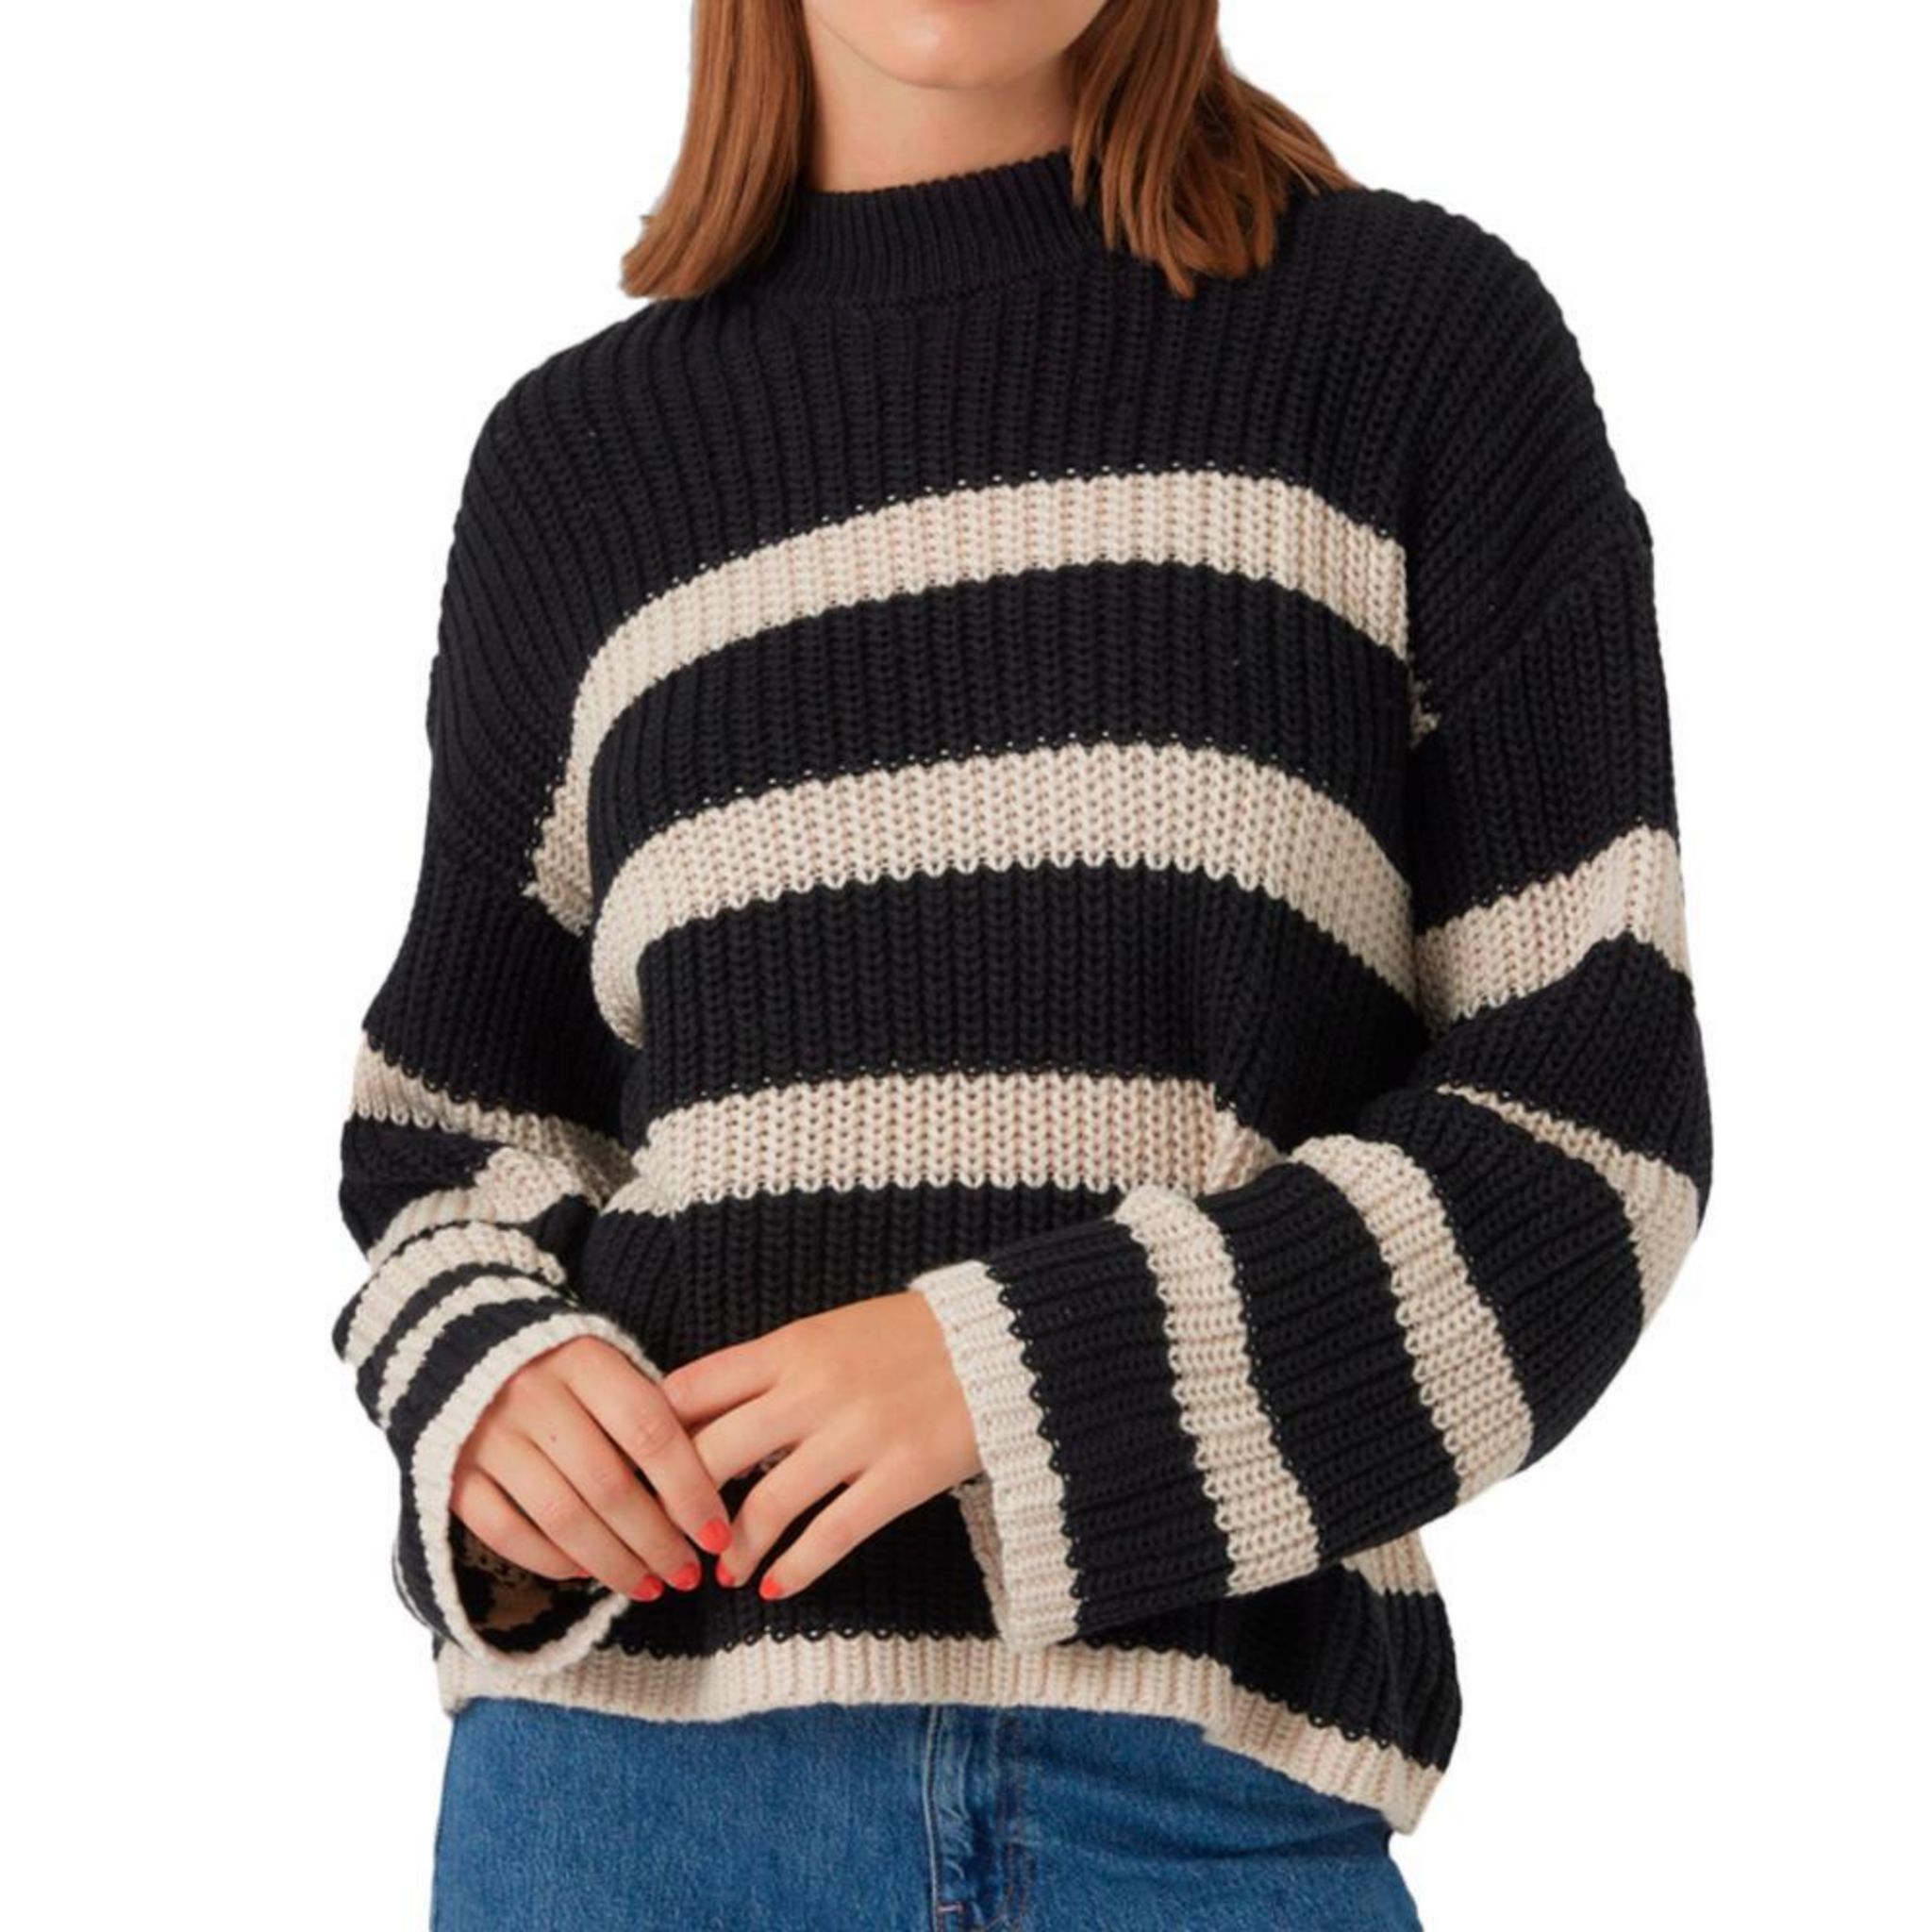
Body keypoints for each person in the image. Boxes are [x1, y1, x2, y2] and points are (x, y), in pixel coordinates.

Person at [330, 2, 1713, 1924]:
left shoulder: (1409, 348)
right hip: (622, 1801)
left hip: (1193, 1794)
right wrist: (495, 1385)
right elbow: (450, 1140)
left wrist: (1013, 1376)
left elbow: (1591, 1132)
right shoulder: (574, 469)